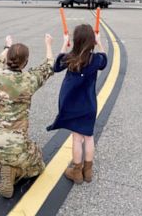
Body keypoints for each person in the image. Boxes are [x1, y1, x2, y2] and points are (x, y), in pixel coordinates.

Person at [0, 34, 54, 198]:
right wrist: (48, 44)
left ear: (7, 58)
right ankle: (12, 170)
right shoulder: (28, 80)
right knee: (38, 163)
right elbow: (49, 65)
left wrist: (7, 47)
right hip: (12, 148)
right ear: (25, 63)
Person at [46, 24, 107, 184]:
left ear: (76, 41)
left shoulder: (70, 58)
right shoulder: (96, 60)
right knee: (88, 137)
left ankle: (77, 171)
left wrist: (63, 44)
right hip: (89, 105)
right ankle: (88, 171)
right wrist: (99, 43)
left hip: (72, 105)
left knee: (76, 138)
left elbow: (56, 66)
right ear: (91, 41)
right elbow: (105, 61)